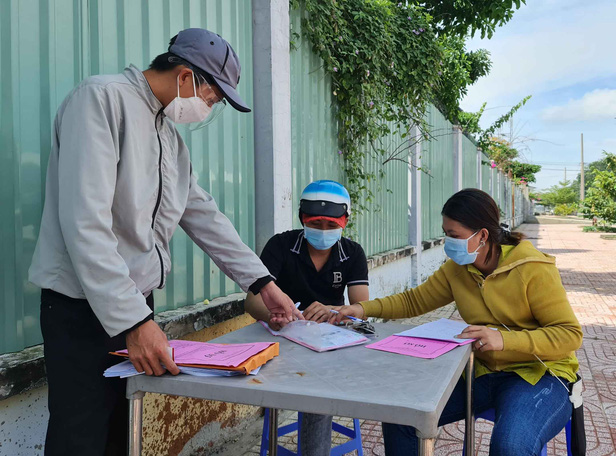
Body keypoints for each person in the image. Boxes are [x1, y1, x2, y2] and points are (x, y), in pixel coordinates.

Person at [28, 28, 299, 455]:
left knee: (123, 428)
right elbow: (85, 224)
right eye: (212, 98)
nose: (209, 108)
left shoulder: (168, 138)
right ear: (187, 77)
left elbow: (205, 216)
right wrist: (134, 323)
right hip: (81, 307)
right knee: (79, 434)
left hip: (136, 305)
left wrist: (263, 284)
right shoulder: (101, 99)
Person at [332, 188, 583, 456]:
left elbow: (570, 334)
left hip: (538, 375)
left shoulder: (533, 269)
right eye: (445, 233)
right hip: (482, 371)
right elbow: (414, 301)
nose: (447, 242)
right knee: (402, 416)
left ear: (482, 236)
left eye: (454, 236)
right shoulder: (458, 269)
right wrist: (360, 308)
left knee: (511, 446)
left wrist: (504, 339)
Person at [245, 179, 370, 456]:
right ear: (303, 219)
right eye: (315, 224)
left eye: (331, 225)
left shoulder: (352, 253)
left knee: (318, 392)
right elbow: (252, 300)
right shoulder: (280, 246)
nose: (323, 231)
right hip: (283, 344)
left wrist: (334, 311)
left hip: (329, 346)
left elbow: (363, 309)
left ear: (345, 221)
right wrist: (275, 315)